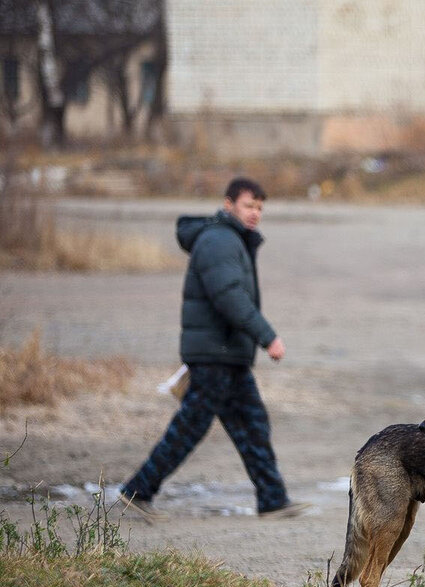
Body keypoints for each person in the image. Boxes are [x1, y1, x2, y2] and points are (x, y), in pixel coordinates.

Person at [118, 177, 309, 522]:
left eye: (260, 208)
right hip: (213, 356)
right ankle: (137, 491)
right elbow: (229, 297)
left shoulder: (231, 239)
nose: (255, 213)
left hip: (228, 355)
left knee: (252, 424)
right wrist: (268, 337)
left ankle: (273, 500)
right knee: (190, 427)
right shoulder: (219, 241)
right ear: (228, 205)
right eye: (249, 205)